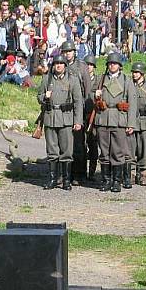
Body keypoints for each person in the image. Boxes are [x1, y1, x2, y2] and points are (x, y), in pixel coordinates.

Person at [37, 54, 84, 190]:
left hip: (66, 118)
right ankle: (52, 179)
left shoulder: (72, 80)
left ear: (65, 66)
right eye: (56, 63)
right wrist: (44, 97)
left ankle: (66, 180)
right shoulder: (47, 79)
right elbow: (39, 96)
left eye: (61, 63)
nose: (58, 65)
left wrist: (78, 121)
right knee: (52, 150)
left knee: (67, 151)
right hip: (50, 117)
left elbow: (78, 102)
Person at [93, 52, 137, 192]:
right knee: (104, 152)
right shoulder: (101, 79)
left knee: (118, 152)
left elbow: (133, 103)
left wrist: (131, 123)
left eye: (115, 63)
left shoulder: (126, 80)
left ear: (119, 65)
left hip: (119, 120)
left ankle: (117, 181)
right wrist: (95, 95)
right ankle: (106, 180)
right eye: (110, 63)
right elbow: (91, 95)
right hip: (103, 119)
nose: (112, 65)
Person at [60, 40, 91, 183]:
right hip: (63, 110)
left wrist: (85, 110)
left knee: (79, 144)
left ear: (74, 52)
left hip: (79, 109)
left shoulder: (82, 67)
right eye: (65, 52)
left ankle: (80, 174)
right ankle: (65, 173)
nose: (67, 54)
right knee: (64, 143)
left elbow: (87, 89)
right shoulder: (59, 65)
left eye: (69, 51)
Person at [129, 62, 146, 186]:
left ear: (142, 74)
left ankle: (143, 173)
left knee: (144, 149)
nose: (134, 74)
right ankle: (131, 173)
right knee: (131, 148)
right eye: (133, 72)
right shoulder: (129, 85)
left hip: (145, 122)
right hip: (132, 121)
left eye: (137, 72)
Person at [82, 54, 100, 181]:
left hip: (94, 117)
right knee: (80, 145)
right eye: (86, 65)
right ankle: (81, 171)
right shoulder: (80, 78)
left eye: (91, 65)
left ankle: (92, 172)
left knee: (93, 145)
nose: (88, 67)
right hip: (81, 115)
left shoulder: (98, 80)